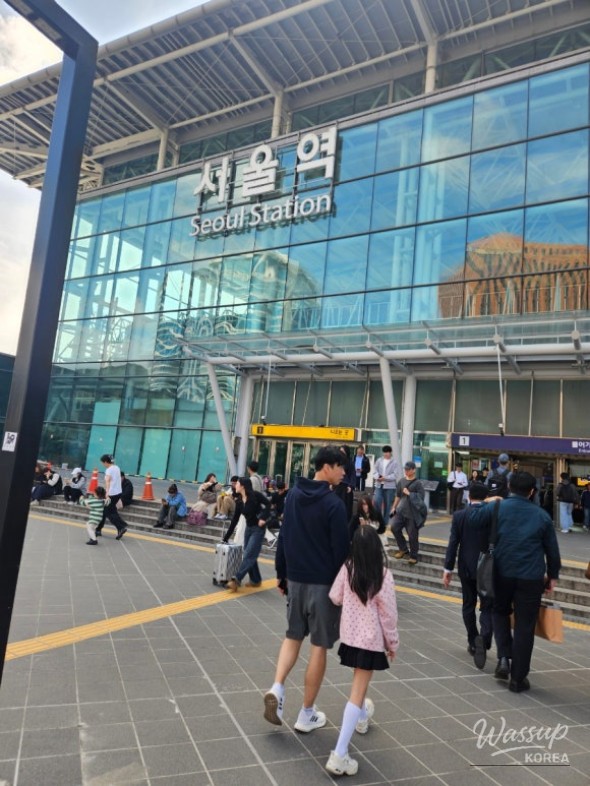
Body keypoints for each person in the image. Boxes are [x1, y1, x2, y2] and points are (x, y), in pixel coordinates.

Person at [263, 446, 349, 732]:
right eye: (341, 467)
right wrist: (342, 588)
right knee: (319, 647)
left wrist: (281, 575)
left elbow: (285, 536)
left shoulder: (293, 496)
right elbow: (341, 552)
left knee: (292, 636)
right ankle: (306, 714)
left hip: (296, 581)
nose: (343, 473)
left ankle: (277, 688)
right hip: (323, 584)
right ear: (327, 467)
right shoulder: (334, 504)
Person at [469, 471, 561, 692]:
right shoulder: (541, 516)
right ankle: (518, 679)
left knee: (499, 612)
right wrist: (552, 575)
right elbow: (552, 550)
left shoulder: (497, 507)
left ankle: (503, 657)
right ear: (532, 492)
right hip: (531, 577)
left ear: (509, 486)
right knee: (525, 625)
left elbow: (472, 519)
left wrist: (488, 500)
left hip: (501, 573)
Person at [326, 526, 399, 776]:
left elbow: (335, 596)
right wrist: (392, 644)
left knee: (360, 682)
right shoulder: (383, 575)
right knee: (356, 693)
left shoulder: (348, 568)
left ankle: (362, 716)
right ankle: (339, 754)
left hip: (350, 639)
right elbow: (389, 616)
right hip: (370, 641)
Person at [442, 482, 493, 668]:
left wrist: (448, 569)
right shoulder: (492, 515)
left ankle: (473, 640)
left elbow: (453, 543)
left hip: (466, 567)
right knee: (488, 606)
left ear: (469, 496)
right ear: (486, 497)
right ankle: (484, 639)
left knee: (468, 604)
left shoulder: (460, 515)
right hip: (487, 568)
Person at [223, 478, 269, 590]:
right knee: (250, 554)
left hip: (258, 529)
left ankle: (236, 579)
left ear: (243, 486)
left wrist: (263, 518)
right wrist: (226, 537)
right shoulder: (239, 502)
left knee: (249, 554)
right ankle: (256, 580)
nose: (235, 486)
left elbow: (268, 504)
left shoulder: (255, 495)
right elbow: (234, 520)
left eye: (237, 484)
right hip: (248, 529)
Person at [390, 461, 425, 565]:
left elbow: (421, 498)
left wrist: (409, 493)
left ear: (414, 470)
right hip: (401, 511)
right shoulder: (401, 481)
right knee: (394, 528)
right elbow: (398, 496)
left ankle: (413, 556)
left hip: (412, 514)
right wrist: (394, 507)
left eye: (408, 469)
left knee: (412, 535)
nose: (406, 471)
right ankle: (403, 549)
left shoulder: (418, 483)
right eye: (405, 469)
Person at [95, 454, 128, 540]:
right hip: (118, 493)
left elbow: (108, 482)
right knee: (108, 511)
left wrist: (107, 493)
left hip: (111, 494)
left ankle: (121, 527)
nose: (103, 464)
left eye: (103, 463)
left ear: (106, 462)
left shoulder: (108, 470)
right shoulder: (117, 468)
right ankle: (99, 530)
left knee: (108, 512)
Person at [372, 445, 399, 521]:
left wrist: (385, 478)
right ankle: (378, 519)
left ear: (390, 453)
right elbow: (374, 471)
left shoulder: (394, 462)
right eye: (384, 452)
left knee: (387, 505)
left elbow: (395, 475)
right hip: (379, 485)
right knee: (377, 501)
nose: (385, 454)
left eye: (387, 452)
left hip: (390, 487)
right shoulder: (379, 460)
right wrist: (378, 477)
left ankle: (385, 522)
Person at [334, 445, 355, 519]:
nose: (341, 453)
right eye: (340, 451)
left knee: (345, 506)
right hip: (336, 486)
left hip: (346, 487)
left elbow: (352, 475)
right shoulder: (337, 462)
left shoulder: (350, 462)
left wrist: (350, 486)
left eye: (343, 451)